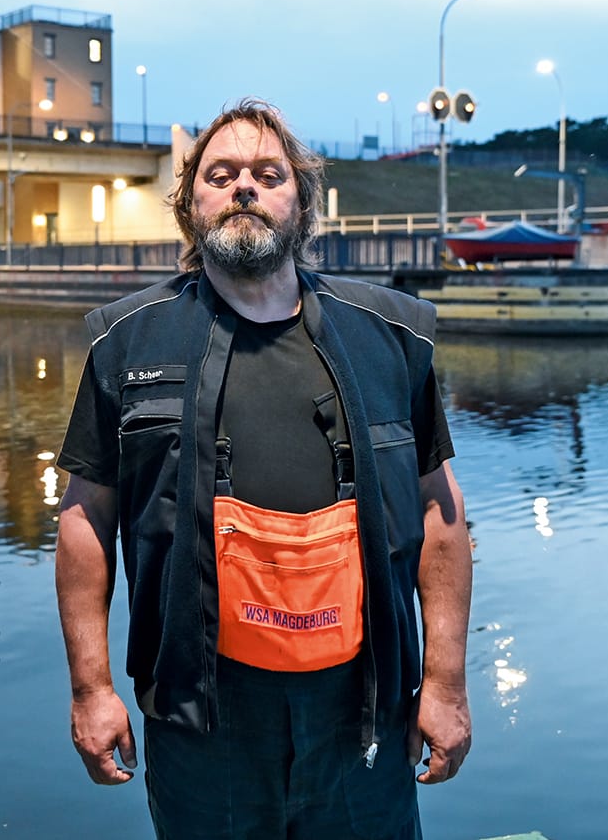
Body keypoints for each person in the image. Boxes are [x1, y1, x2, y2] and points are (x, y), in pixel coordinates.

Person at [54, 100, 471, 839]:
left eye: (268, 173)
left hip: (362, 718)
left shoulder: (393, 339)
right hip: (200, 723)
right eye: (221, 173)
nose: (244, 184)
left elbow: (442, 516)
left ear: (301, 203)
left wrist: (443, 682)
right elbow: (85, 520)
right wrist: (91, 688)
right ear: (190, 204)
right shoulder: (124, 343)